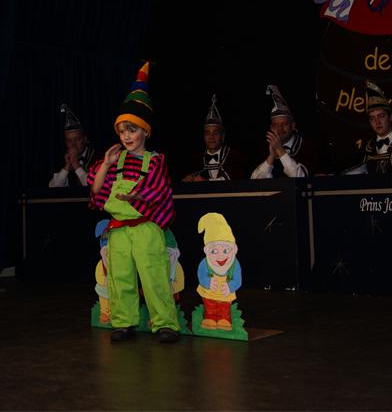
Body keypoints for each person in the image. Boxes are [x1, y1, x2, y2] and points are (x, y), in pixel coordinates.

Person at [87, 61, 180, 344]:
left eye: (132, 129)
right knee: (121, 277)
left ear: (145, 131)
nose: (127, 136)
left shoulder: (156, 160)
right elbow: (96, 189)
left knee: (153, 277)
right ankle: (123, 322)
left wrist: (136, 196)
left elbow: (159, 189)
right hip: (118, 230)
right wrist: (106, 164)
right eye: (122, 131)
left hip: (145, 227)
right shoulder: (114, 160)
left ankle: (165, 324)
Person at [343, 80, 392, 174]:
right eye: (372, 118)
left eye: (381, 116)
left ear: (391, 117)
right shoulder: (366, 148)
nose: (377, 122)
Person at [251, 85, 315, 179]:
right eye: (276, 125)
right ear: (271, 128)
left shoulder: (307, 147)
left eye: (285, 124)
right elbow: (254, 181)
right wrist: (271, 156)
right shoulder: (263, 150)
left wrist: (280, 150)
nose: (280, 128)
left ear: (293, 125)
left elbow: (301, 178)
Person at [182, 94, 247, 181]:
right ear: (203, 137)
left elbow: (236, 180)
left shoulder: (234, 156)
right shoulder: (196, 159)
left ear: (223, 136)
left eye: (215, 133)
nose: (211, 137)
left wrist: (206, 182)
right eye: (207, 133)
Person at [48, 103, 97, 187]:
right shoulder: (63, 158)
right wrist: (67, 167)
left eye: (77, 139)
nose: (73, 144)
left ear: (85, 139)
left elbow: (94, 186)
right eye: (69, 141)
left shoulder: (97, 156)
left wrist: (76, 165)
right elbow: (53, 187)